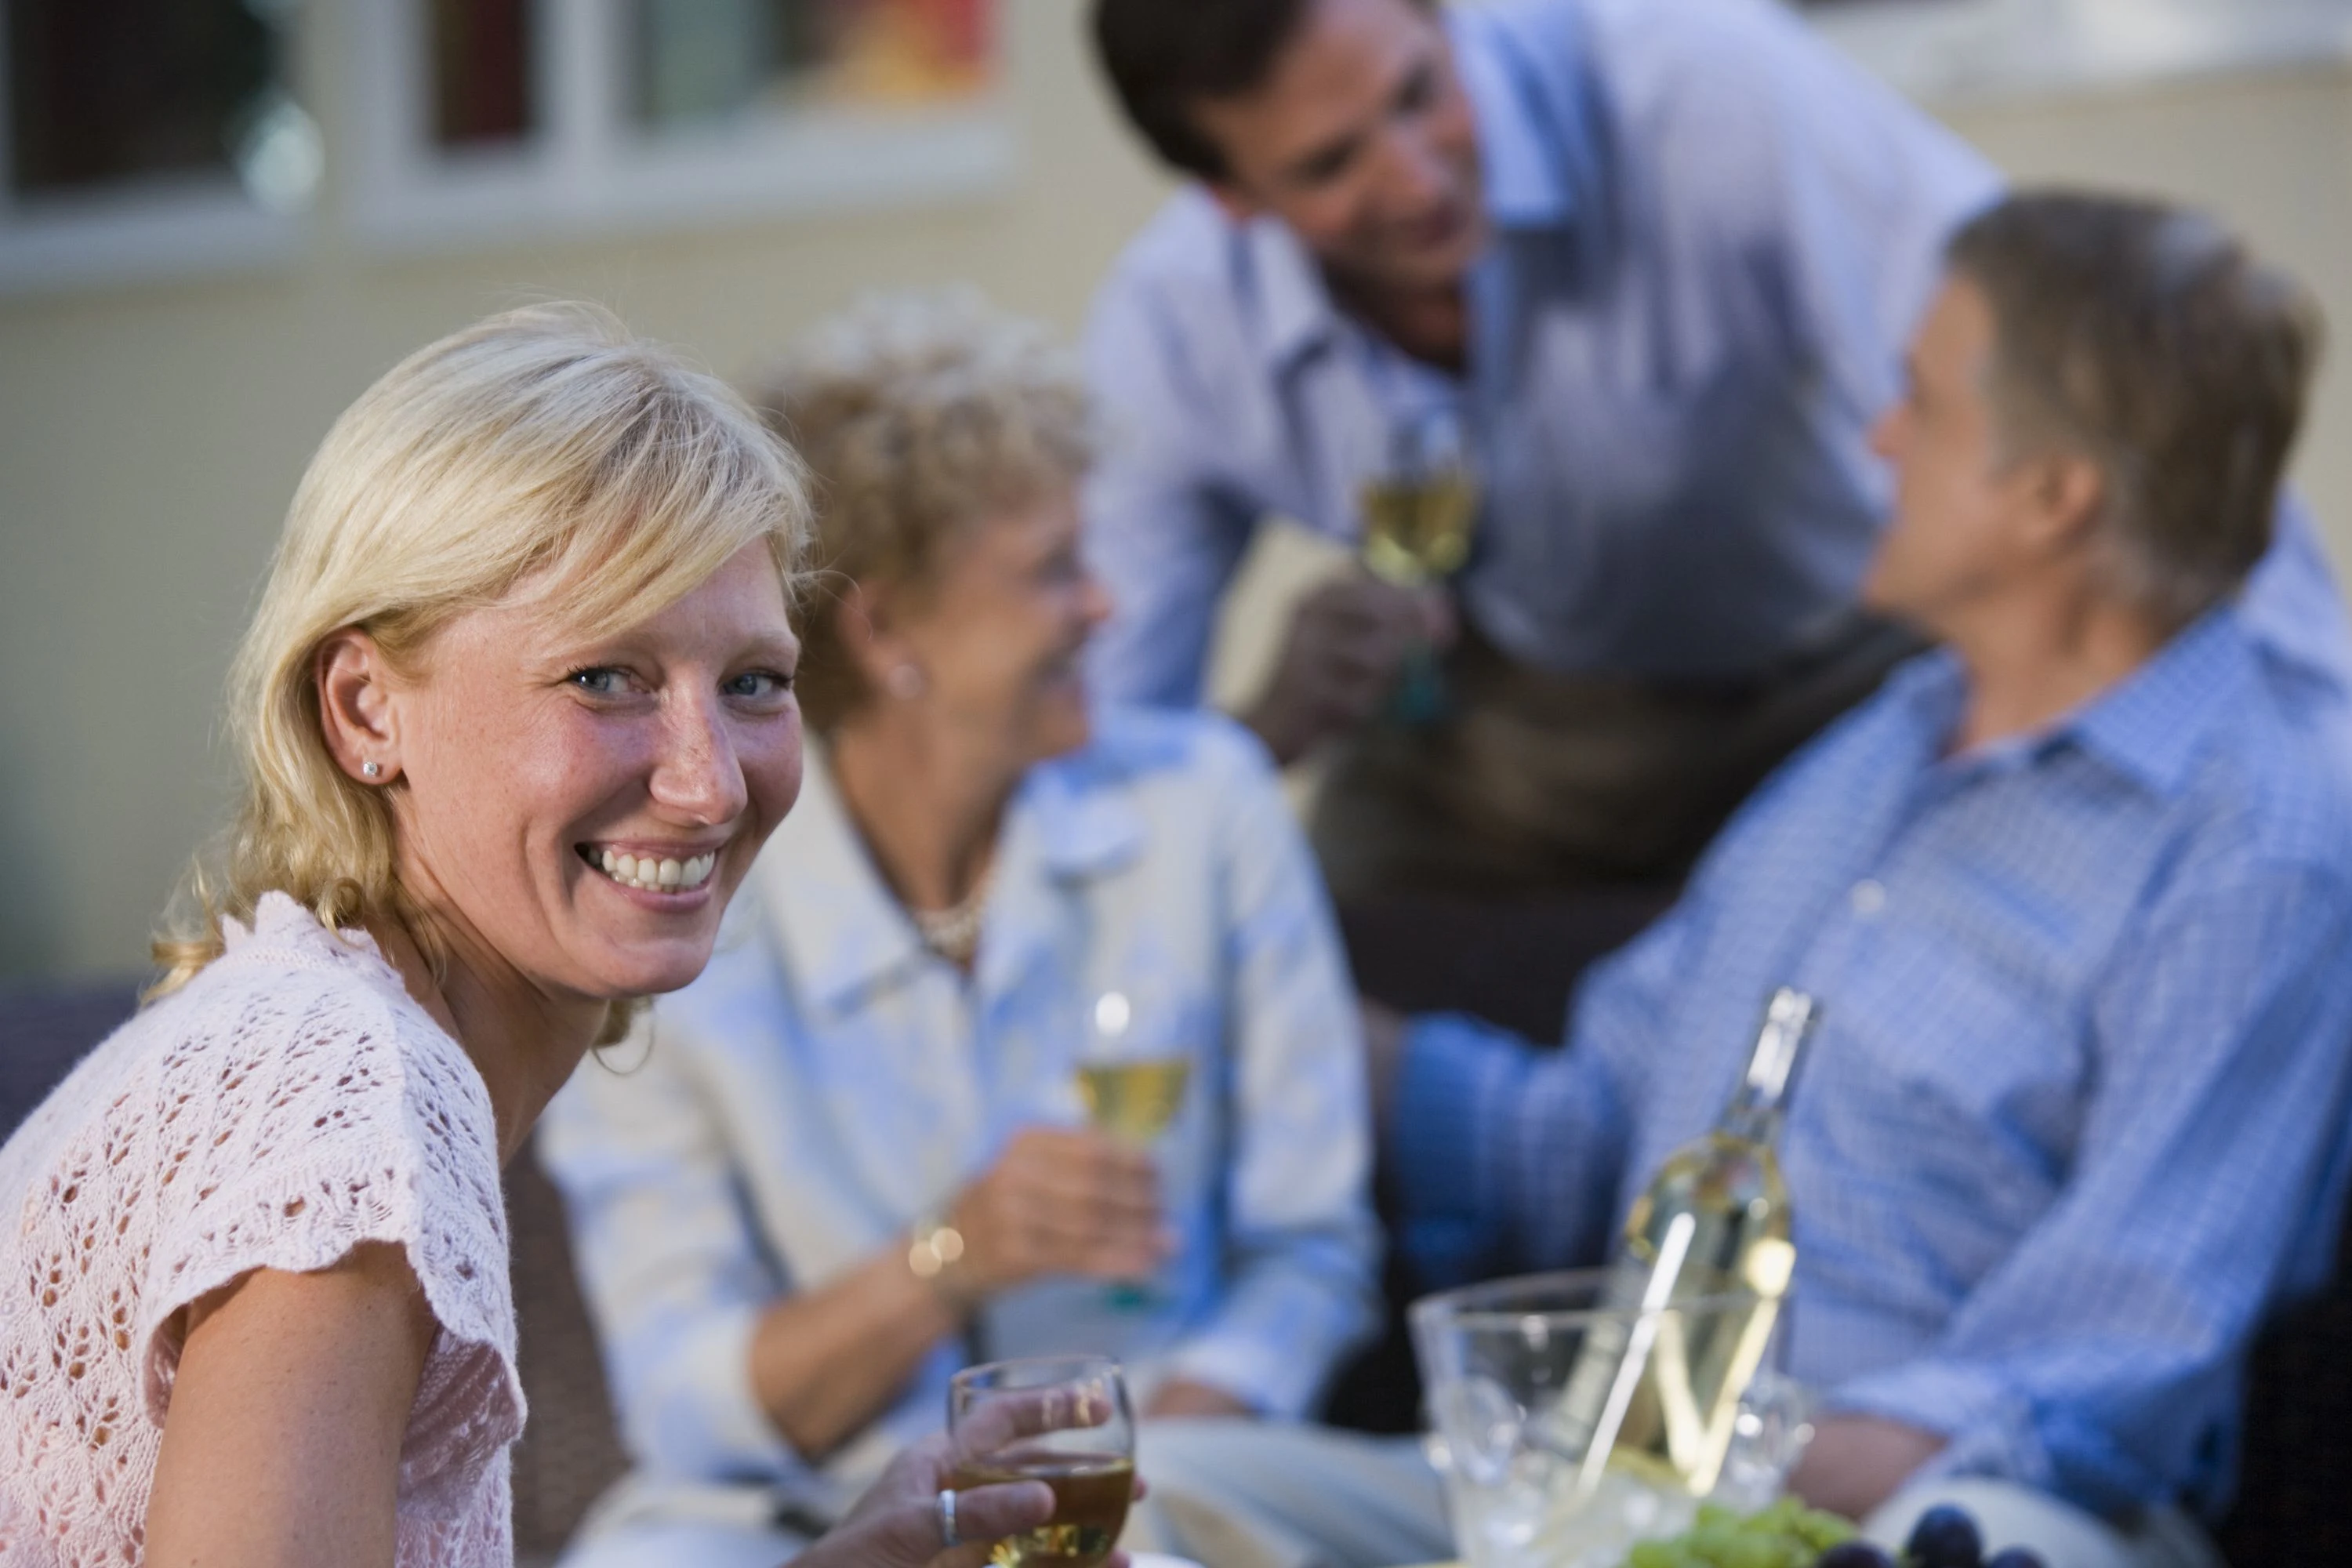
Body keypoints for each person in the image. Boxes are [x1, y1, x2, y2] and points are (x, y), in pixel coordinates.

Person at [1136, 193, 2352, 1568]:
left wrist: (1699, 1473)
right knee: (1151, 1493)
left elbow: (2112, 1361)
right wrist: (1289, 1013)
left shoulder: (2256, 840)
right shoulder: (1870, 752)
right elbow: (1590, 1133)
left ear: (2051, 495)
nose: (1879, 438)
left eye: (1922, 403)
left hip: (1941, 1510)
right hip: (1617, 1480)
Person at [0, 304, 1113, 1568]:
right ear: (367, 709)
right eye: (605, 678)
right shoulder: (343, 1106)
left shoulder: (343, 1034)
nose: (709, 783)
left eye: (753, 681)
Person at [1079, 0, 2352, 910]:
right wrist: (1258, 736)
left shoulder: (1703, 80)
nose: (1415, 178)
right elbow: (1096, 765)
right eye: (1331, 163)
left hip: (1848, 669)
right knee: (1307, 974)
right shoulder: (1174, 334)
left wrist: (2318, 731)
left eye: (1420, 92)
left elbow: (2068, 363)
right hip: (1508, 734)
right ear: (1229, 196)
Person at [537, 294, 1381, 1568]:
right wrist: (952, 1255)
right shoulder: (671, 917)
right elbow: (690, 1399)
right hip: (809, 1514)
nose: (1105, 606)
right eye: (1053, 569)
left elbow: (1310, 1254)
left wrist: (1117, 1458)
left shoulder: (1205, 809)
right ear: (885, 631)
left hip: (1171, 1477)